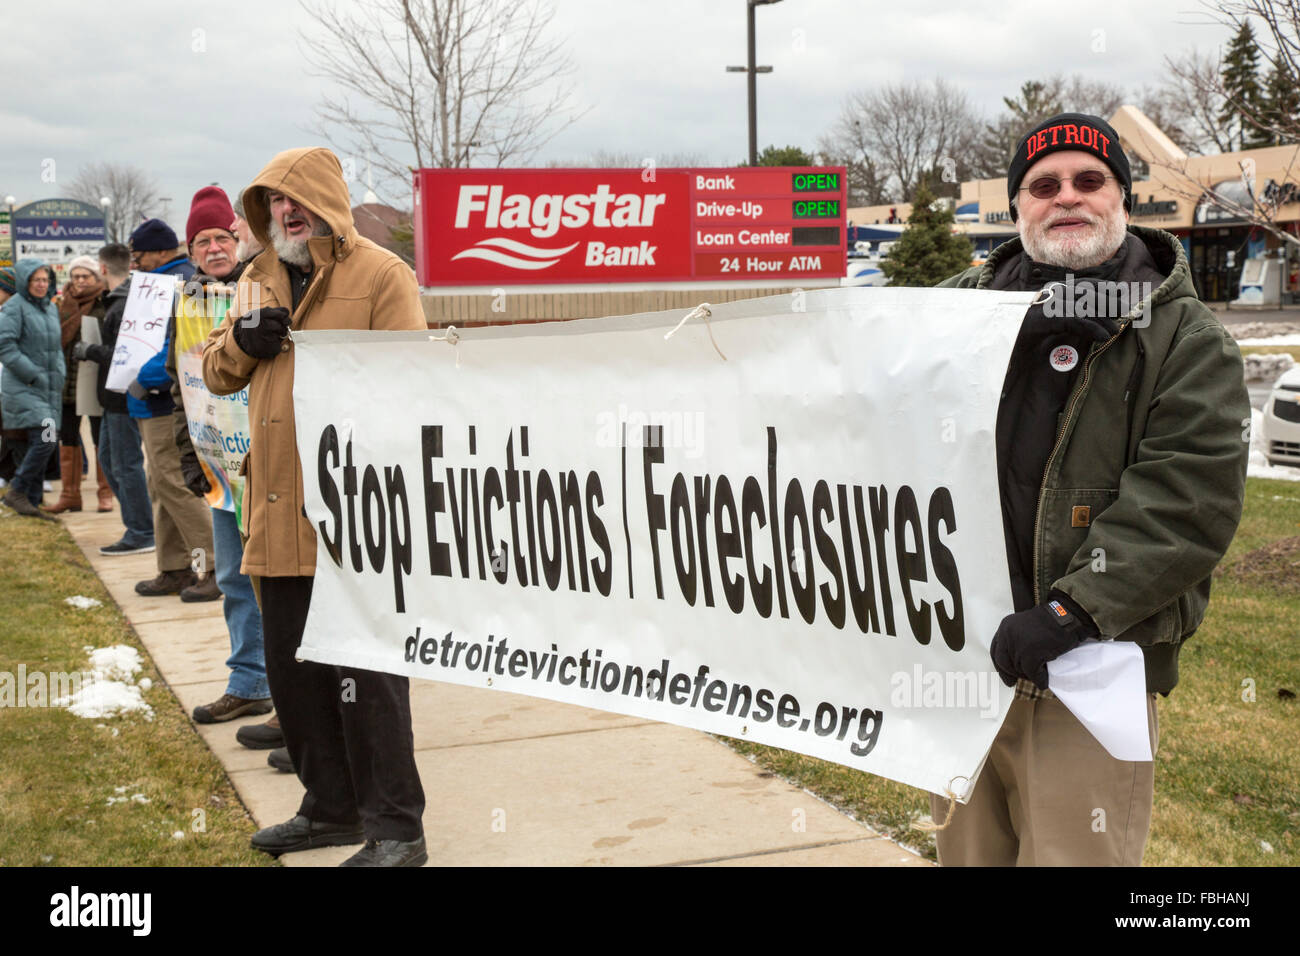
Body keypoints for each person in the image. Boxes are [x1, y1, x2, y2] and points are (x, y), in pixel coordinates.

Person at [934, 113, 1249, 866]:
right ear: (1018, 207)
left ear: (1122, 200)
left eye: (1089, 180)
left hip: (1086, 675)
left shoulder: (1186, 340)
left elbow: (1186, 501)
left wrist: (1070, 613)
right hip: (958, 667)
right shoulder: (950, 317)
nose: (1066, 197)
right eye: (1043, 185)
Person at [203, 147, 427, 866]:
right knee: (295, 680)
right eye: (274, 201)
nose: (286, 211)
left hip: (353, 520)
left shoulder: (382, 274)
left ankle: (397, 828)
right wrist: (242, 341)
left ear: (327, 200)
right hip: (273, 511)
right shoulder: (256, 277)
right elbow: (214, 369)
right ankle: (330, 810)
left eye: (296, 198)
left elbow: (414, 381)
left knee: (368, 683)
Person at [171, 185, 271, 721]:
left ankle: (293, 691)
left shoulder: (263, 287)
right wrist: (191, 457)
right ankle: (249, 681)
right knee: (232, 578)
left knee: (278, 580)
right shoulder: (187, 303)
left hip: (270, 463)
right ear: (190, 252)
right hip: (221, 466)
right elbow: (182, 385)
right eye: (202, 241)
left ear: (236, 238)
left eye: (221, 237)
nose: (214, 248)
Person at [127, 219, 215, 597]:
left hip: (163, 400)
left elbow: (182, 344)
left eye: (140, 254)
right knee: (161, 484)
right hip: (150, 401)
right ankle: (175, 566)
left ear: (163, 251)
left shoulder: (180, 284)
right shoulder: (160, 281)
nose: (135, 262)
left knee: (175, 484)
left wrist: (142, 378)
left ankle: (212, 564)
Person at [78, 244, 155, 555]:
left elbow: (127, 355)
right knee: (110, 461)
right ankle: (139, 525)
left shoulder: (123, 304)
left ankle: (142, 532)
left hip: (123, 397)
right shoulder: (123, 299)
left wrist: (90, 350)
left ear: (103, 269)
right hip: (114, 399)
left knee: (125, 465)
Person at [0, 259, 64, 520]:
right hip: (24, 386)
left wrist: (58, 373)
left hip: (48, 388)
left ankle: (32, 502)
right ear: (24, 281)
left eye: (45, 280)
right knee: (46, 439)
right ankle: (17, 490)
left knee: (39, 443)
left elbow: (55, 348)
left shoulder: (50, 308)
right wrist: (34, 374)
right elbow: (5, 346)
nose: (41, 285)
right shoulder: (14, 307)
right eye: (36, 280)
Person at [46, 256, 107, 514]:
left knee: (99, 437)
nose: (80, 281)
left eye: (85, 276)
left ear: (96, 277)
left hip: (94, 379)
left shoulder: (105, 302)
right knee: (68, 437)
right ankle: (70, 495)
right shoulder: (62, 304)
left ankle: (105, 493)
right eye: (76, 276)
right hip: (66, 381)